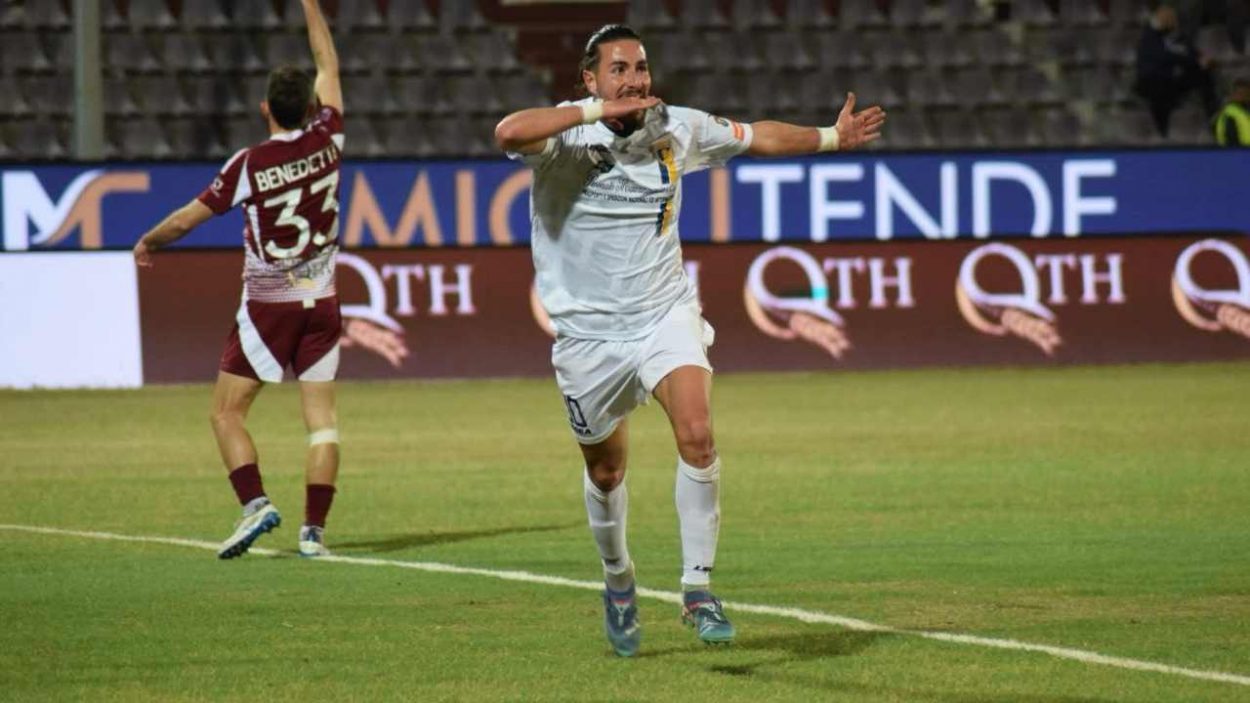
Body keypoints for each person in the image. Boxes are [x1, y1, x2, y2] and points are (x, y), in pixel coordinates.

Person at [494, 24, 884, 657]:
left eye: (641, 67)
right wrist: (597, 111)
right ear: (590, 80)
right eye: (618, 69)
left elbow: (756, 135)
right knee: (606, 468)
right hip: (588, 337)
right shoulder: (566, 132)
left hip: (662, 314)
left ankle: (697, 588)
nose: (635, 80)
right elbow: (506, 132)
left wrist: (832, 137)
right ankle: (619, 580)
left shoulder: (675, 126)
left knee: (698, 435)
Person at [132, 0, 345, 560]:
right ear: (312, 106)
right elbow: (330, 63)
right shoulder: (330, 139)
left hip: (268, 304)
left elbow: (188, 218)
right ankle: (313, 533)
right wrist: (309, 5)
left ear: (264, 109)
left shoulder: (250, 163)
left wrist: (151, 240)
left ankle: (256, 505)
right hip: (322, 302)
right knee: (321, 421)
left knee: (225, 412)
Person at [1135, 3, 1220, 137]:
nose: (1169, 19)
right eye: (1165, 16)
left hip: (1170, 80)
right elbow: (1164, 56)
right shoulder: (1149, 36)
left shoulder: (1176, 36)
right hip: (1152, 81)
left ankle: (1214, 116)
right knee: (1158, 92)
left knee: (1203, 73)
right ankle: (1162, 133)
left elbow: (1187, 51)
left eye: (1171, 17)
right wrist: (1194, 61)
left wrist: (1201, 59)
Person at [1214, 76, 1250, 144]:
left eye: (1247, 93)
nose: (1246, 96)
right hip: (1239, 153)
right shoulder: (1229, 114)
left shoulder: (1245, 111)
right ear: (1233, 94)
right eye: (1241, 93)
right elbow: (1230, 141)